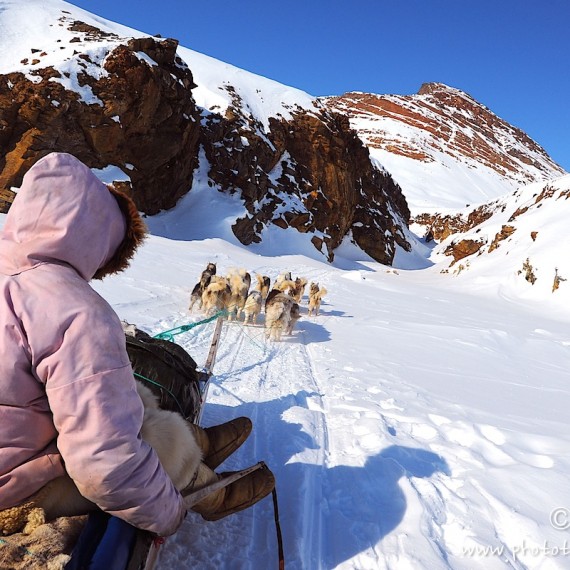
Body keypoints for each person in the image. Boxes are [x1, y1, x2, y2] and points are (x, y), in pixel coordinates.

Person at [0, 152, 274, 537]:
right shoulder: (75, 309)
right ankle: (204, 489)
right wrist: (166, 513)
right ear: (96, 238)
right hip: (17, 488)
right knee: (150, 435)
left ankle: (203, 442)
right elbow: (103, 463)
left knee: (125, 393)